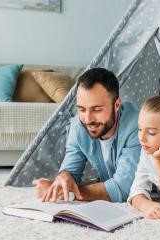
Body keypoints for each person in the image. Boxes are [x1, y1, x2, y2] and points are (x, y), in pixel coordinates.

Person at [32, 67, 141, 203]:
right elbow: (71, 168)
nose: (88, 119)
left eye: (97, 109)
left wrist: (68, 192)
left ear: (117, 105)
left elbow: (123, 189)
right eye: (82, 109)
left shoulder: (138, 127)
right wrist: (64, 178)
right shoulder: (78, 125)